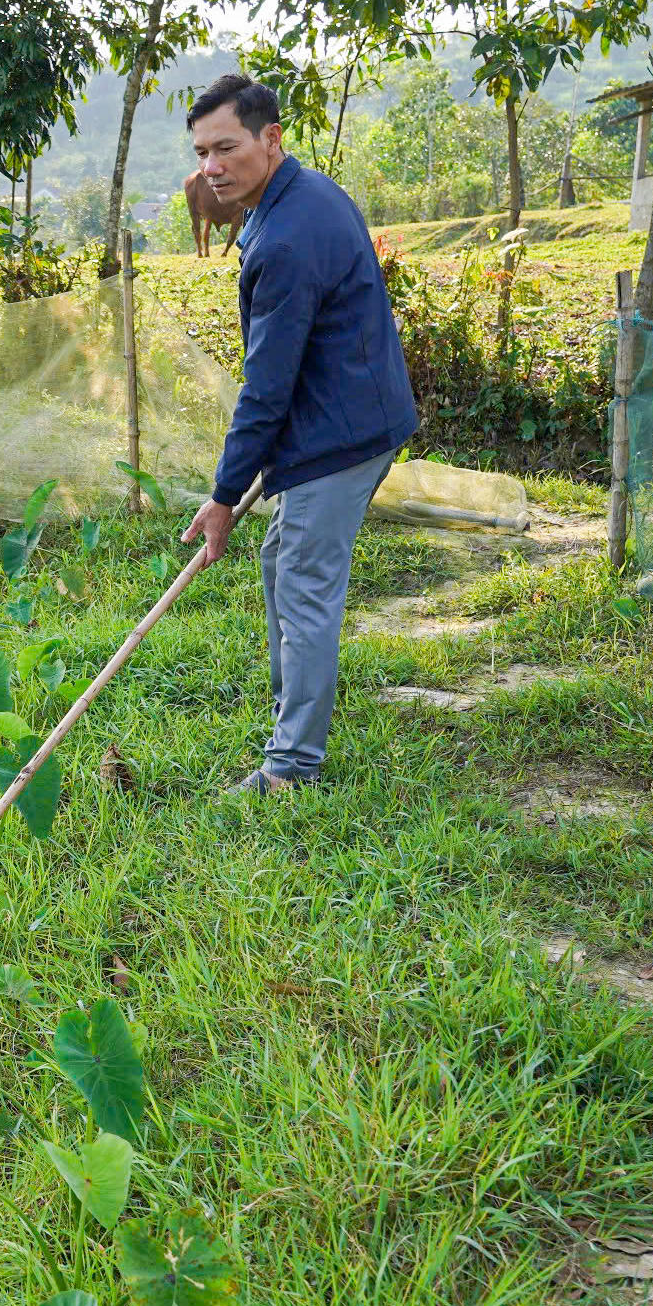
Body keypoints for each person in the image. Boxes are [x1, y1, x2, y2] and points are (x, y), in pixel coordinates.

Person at [177, 74, 418, 795]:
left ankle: (291, 766)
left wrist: (223, 498)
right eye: (201, 152)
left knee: (306, 587)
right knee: (282, 560)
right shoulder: (300, 195)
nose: (211, 166)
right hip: (353, 413)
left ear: (270, 138)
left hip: (338, 434)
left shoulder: (284, 236)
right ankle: (293, 716)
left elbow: (267, 387)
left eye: (225, 147)